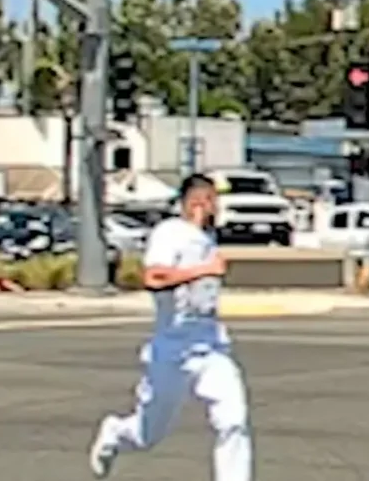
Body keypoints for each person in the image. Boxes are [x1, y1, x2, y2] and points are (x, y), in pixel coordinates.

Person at [88, 174, 252, 481]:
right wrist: (205, 269)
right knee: (148, 434)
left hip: (211, 347)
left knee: (233, 421)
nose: (218, 207)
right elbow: (154, 278)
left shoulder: (207, 239)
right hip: (174, 350)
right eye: (214, 199)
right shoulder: (170, 232)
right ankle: (115, 433)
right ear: (199, 201)